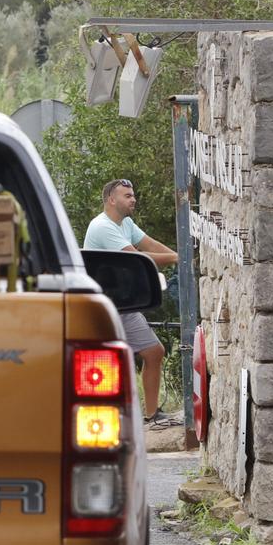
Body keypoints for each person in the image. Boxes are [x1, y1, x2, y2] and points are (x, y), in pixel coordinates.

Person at [83, 179, 180, 427]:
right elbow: (137, 257)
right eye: (127, 196)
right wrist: (175, 258)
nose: (133, 199)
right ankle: (102, 417)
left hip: (123, 302)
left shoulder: (125, 223)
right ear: (111, 200)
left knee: (154, 352)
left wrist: (180, 257)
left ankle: (151, 414)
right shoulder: (102, 227)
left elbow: (149, 244)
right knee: (103, 362)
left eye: (133, 195)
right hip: (104, 306)